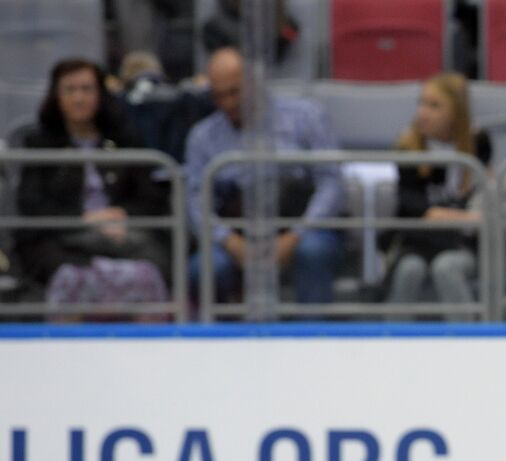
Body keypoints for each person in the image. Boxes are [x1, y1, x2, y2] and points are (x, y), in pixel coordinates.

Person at [184, 47, 344, 312]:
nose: (227, 103)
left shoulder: (307, 116)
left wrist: (296, 234)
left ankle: (313, 333)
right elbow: (195, 200)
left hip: (302, 224)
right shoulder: (202, 136)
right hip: (236, 232)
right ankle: (221, 335)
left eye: (234, 92)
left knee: (313, 251)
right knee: (205, 267)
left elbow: (331, 182)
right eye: (218, 96)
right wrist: (229, 241)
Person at [15, 58, 170, 319]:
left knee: (150, 269)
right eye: (70, 90)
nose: (79, 98)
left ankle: (151, 343)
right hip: (63, 240)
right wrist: (84, 219)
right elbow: (32, 205)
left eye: (86, 89)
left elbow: (151, 198)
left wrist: (121, 214)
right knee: (69, 275)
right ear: (56, 95)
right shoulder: (39, 144)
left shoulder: (124, 140)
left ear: (101, 93)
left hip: (123, 237)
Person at [384, 73, 490, 320]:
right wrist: (457, 216)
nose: (423, 112)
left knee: (447, 267)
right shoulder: (407, 147)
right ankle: (392, 335)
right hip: (416, 242)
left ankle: (467, 337)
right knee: (410, 269)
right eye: (421, 103)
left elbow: (480, 205)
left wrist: (443, 215)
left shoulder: (479, 143)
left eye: (434, 106)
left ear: (457, 112)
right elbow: (413, 205)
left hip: (461, 243)